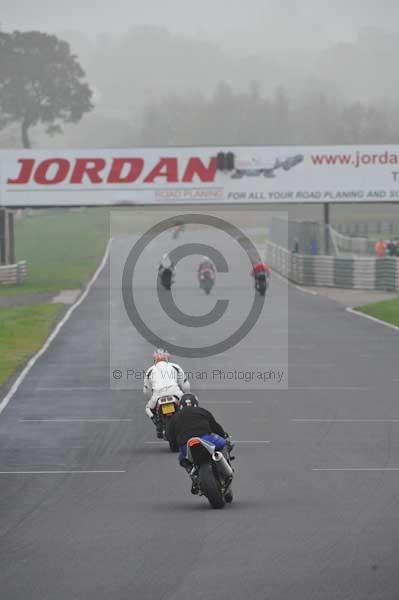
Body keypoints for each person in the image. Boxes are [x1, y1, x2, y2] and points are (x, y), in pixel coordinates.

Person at [168, 392, 231, 494]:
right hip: (206, 438)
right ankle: (225, 468)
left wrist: (176, 445)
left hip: (186, 444)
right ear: (196, 403)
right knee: (224, 444)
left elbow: (170, 436)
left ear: (181, 405)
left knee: (182, 459)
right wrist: (223, 435)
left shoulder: (175, 417)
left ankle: (194, 478)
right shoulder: (202, 411)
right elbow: (215, 426)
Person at [143, 349, 190, 438]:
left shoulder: (150, 371)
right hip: (175, 392)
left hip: (158, 395)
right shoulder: (175, 367)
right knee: (189, 402)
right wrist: (187, 394)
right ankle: (189, 421)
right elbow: (185, 385)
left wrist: (151, 399)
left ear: (155, 360)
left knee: (148, 408)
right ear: (167, 358)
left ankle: (158, 424)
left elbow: (146, 391)